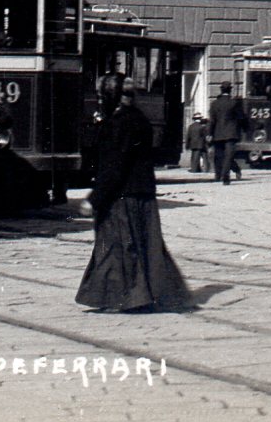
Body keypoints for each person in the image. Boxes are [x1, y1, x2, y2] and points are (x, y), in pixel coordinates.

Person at [77, 74, 193, 313]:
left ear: (111, 96)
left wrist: (95, 199)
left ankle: (128, 297)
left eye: (102, 96)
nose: (100, 101)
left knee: (119, 247)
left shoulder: (117, 123)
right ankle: (147, 294)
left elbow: (113, 166)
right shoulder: (140, 119)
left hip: (122, 196)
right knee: (146, 246)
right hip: (143, 193)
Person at [207, 83, 247, 186]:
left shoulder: (214, 103)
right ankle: (226, 176)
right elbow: (241, 117)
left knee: (219, 155)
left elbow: (212, 120)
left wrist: (209, 133)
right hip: (231, 133)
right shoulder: (234, 103)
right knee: (228, 156)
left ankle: (218, 175)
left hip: (217, 133)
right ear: (230, 90)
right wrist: (245, 128)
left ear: (221, 90)